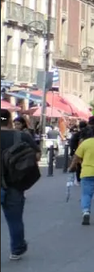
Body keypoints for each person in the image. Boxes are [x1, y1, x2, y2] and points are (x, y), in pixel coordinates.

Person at [1, 108, 38, 260]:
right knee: (15, 219)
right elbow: (36, 155)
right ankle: (16, 249)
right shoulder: (21, 136)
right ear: (10, 120)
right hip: (14, 184)